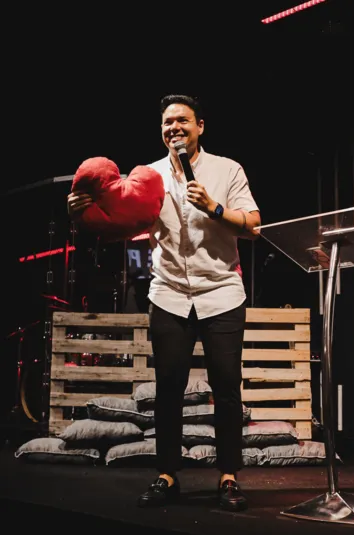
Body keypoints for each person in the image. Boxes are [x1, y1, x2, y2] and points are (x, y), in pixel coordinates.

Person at [67, 94, 261, 511]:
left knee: (226, 389)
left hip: (222, 293)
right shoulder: (149, 177)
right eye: (168, 122)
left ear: (200, 126)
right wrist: (81, 210)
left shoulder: (228, 169)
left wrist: (214, 207)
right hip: (169, 294)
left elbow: (254, 226)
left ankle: (228, 476)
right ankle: (168, 474)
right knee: (169, 390)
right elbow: (115, 224)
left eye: (183, 121)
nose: (174, 128)